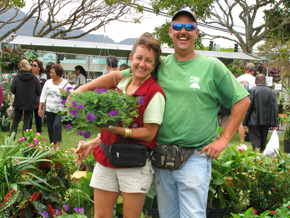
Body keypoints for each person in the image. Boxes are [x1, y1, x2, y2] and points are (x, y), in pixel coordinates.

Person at [74, 8, 250, 218]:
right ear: (171, 32)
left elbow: (242, 100)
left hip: (195, 157)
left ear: (197, 33)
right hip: (162, 157)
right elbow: (117, 77)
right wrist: (81, 90)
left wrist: (224, 139)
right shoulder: (159, 65)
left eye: (189, 27)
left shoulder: (211, 66)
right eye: (177, 26)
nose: (183, 31)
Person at [74, 33, 165, 218]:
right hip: (106, 160)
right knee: (101, 216)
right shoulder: (119, 86)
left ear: (154, 65)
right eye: (139, 58)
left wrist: (118, 130)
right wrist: (90, 144)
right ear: (131, 58)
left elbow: (149, 133)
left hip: (133, 164)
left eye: (148, 60)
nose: (142, 64)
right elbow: (109, 132)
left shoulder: (154, 92)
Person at [38, 64, 72, 150]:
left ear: (58, 74)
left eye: (52, 72)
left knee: (56, 125)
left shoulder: (65, 83)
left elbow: (73, 94)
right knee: (50, 127)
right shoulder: (48, 82)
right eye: (50, 72)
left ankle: (57, 145)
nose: (50, 74)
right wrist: (40, 107)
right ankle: (52, 144)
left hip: (60, 109)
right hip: (49, 108)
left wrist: (65, 92)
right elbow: (43, 95)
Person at [243, 74, 278, 152]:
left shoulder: (252, 90)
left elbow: (248, 107)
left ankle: (257, 156)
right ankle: (261, 155)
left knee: (255, 139)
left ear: (255, 81)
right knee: (263, 139)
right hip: (266, 120)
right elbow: (275, 108)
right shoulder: (271, 92)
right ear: (265, 81)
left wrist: (245, 122)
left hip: (254, 119)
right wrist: (275, 123)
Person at [10, 59, 42, 135]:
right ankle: (24, 140)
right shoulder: (34, 78)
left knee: (16, 121)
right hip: (30, 103)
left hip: (19, 101)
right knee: (27, 122)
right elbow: (39, 91)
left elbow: (13, 89)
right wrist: (33, 96)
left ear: (19, 66)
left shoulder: (17, 77)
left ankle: (11, 139)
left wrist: (18, 94)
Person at [237, 63, 256, 145]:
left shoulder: (239, 78)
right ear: (253, 70)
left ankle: (242, 142)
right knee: (251, 121)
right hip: (249, 101)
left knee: (241, 122)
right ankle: (252, 139)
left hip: (239, 100)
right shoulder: (254, 79)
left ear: (245, 69)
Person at [30, 58, 46, 133]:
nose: (32, 67)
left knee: (38, 114)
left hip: (39, 98)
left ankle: (39, 130)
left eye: (34, 65)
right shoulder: (29, 75)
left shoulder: (43, 76)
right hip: (30, 98)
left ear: (39, 68)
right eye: (32, 65)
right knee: (29, 114)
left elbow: (42, 85)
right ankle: (28, 129)